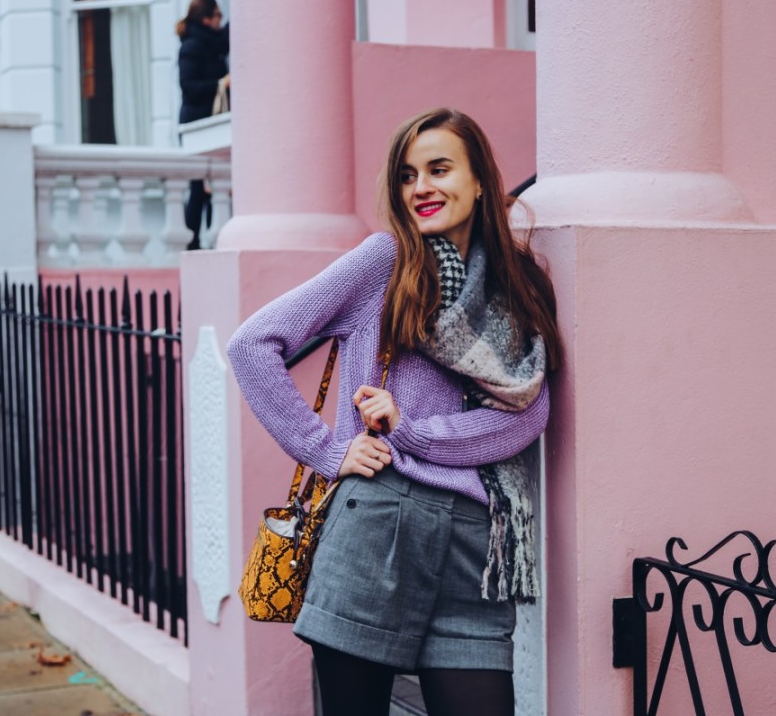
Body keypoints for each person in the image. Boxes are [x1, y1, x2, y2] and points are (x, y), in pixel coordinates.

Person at [227, 108, 562, 716]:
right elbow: (252, 345)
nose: (422, 188)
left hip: (475, 547)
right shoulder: (385, 262)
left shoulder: (517, 285)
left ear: (481, 178)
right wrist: (327, 451)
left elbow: (526, 417)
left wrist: (411, 430)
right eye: (408, 176)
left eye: (439, 169)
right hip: (378, 521)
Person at [176, 0, 229, 249]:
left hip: (210, 124)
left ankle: (205, 243)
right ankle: (192, 244)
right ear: (206, 18)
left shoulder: (211, 43)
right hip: (196, 126)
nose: (222, 20)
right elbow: (188, 87)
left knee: (212, 188)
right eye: (218, 15)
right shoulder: (193, 46)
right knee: (198, 189)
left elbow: (228, 37)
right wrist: (221, 84)